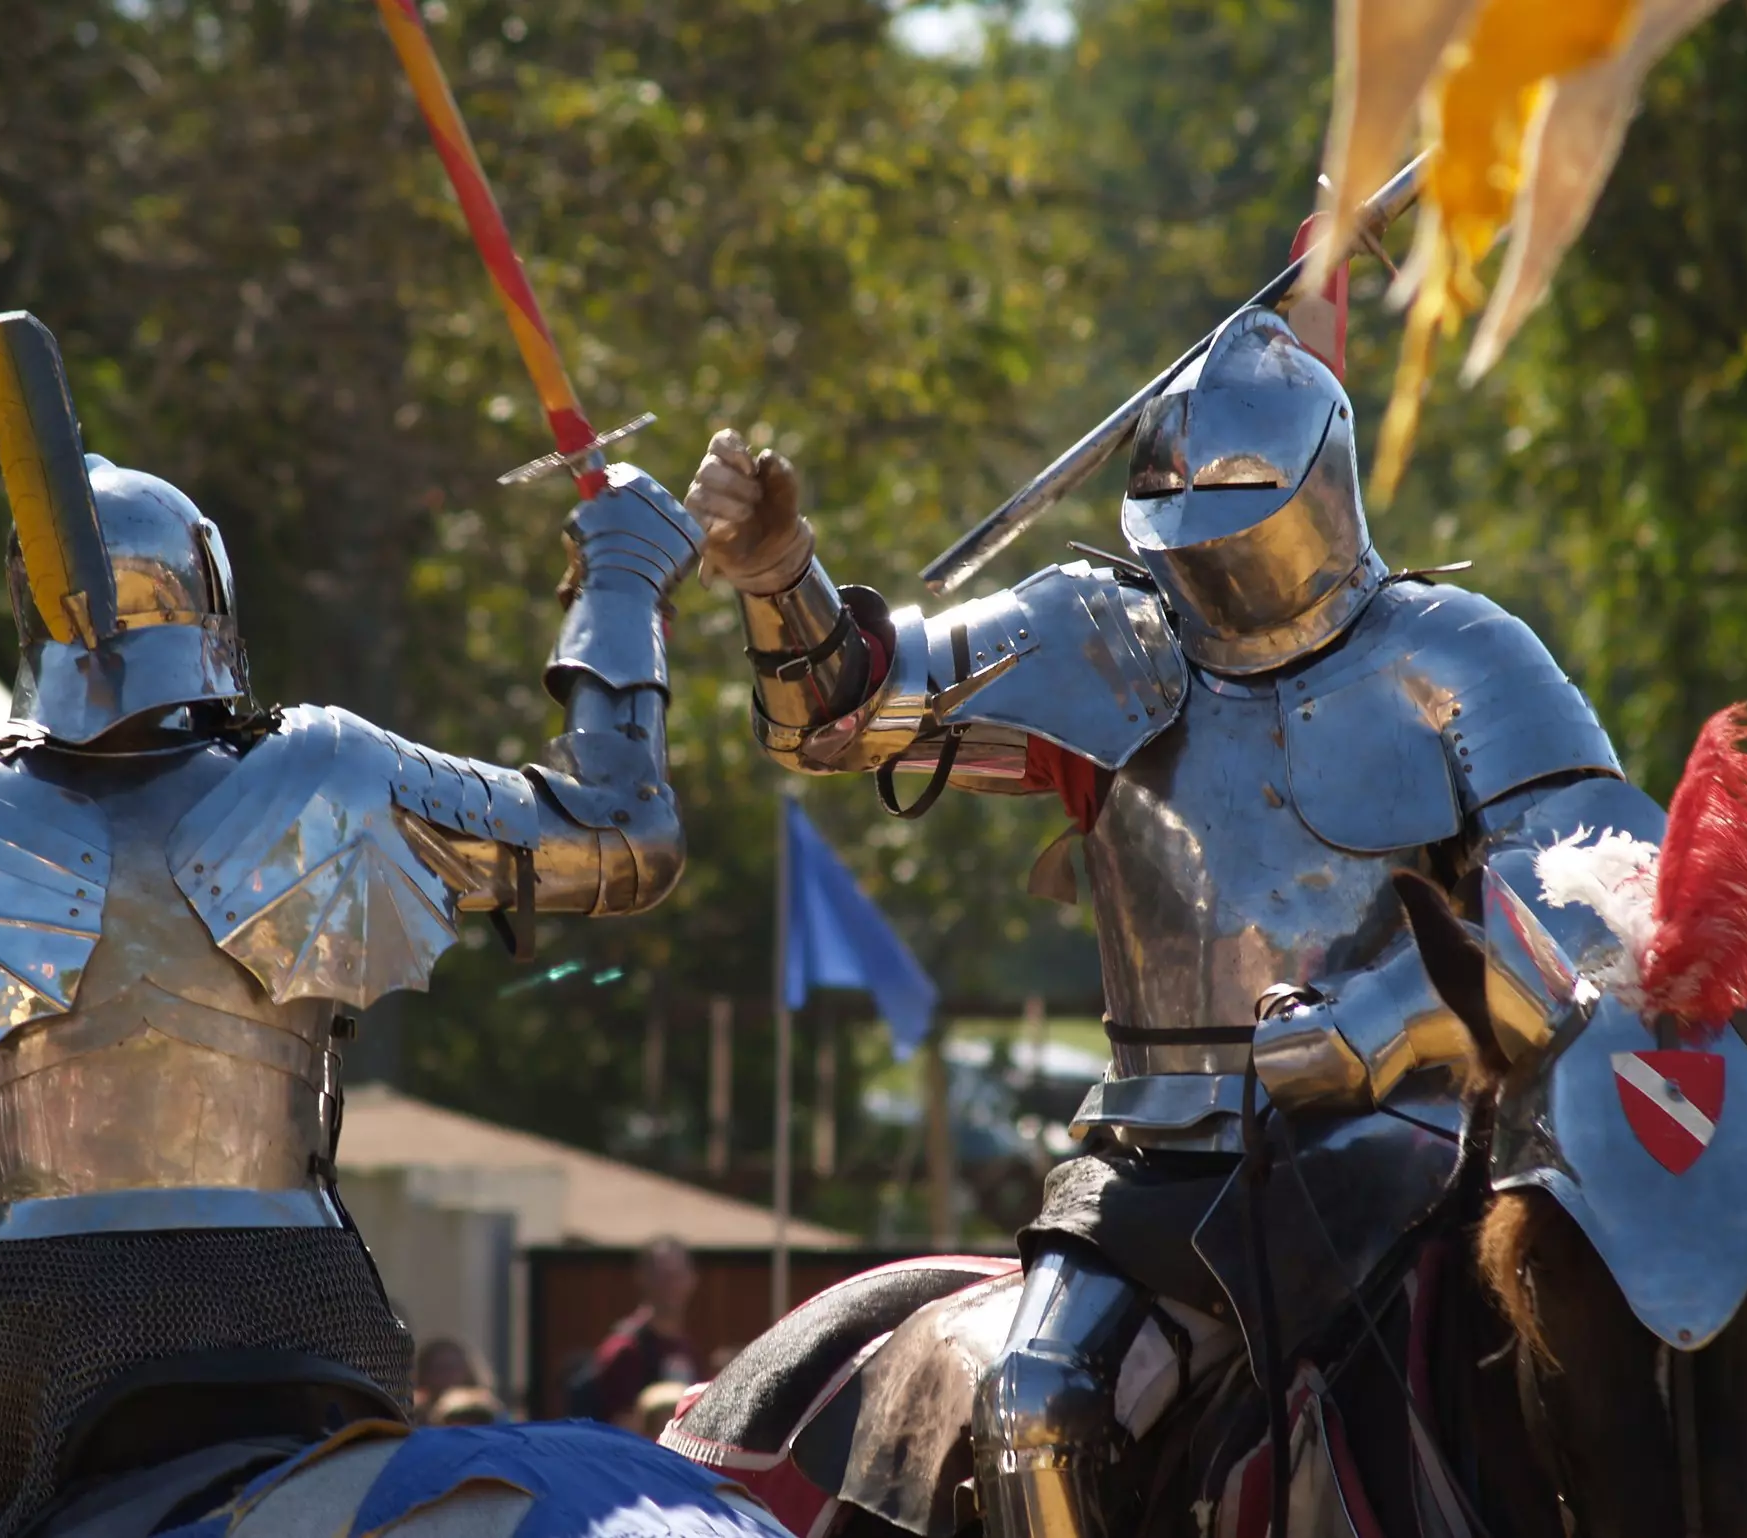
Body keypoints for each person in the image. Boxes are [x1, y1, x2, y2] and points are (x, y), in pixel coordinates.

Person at [682, 300, 1665, 1538]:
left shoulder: (1458, 654)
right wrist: (779, 577)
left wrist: (1377, 1022)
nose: (1211, 549)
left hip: (1409, 1140)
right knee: (1035, 1404)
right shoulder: (1103, 638)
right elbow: (839, 713)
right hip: (1153, 1157)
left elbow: (1602, 889)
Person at [0, 311, 701, 1538]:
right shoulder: (334, 772)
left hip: (20, 1321)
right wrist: (620, 577)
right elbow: (625, 832)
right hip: (298, 1312)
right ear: (212, 596)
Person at [572, 1237, 699, 1422]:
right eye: (662, 1277)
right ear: (642, 1278)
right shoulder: (625, 1350)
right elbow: (622, 1431)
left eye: (677, 1276)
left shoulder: (687, 1348)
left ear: (692, 1279)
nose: (671, 1286)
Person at [411, 1335, 484, 1420]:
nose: (447, 1375)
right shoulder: (413, 1410)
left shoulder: (482, 1409)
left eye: (453, 1367)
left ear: (467, 1370)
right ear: (423, 1373)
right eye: (438, 1368)